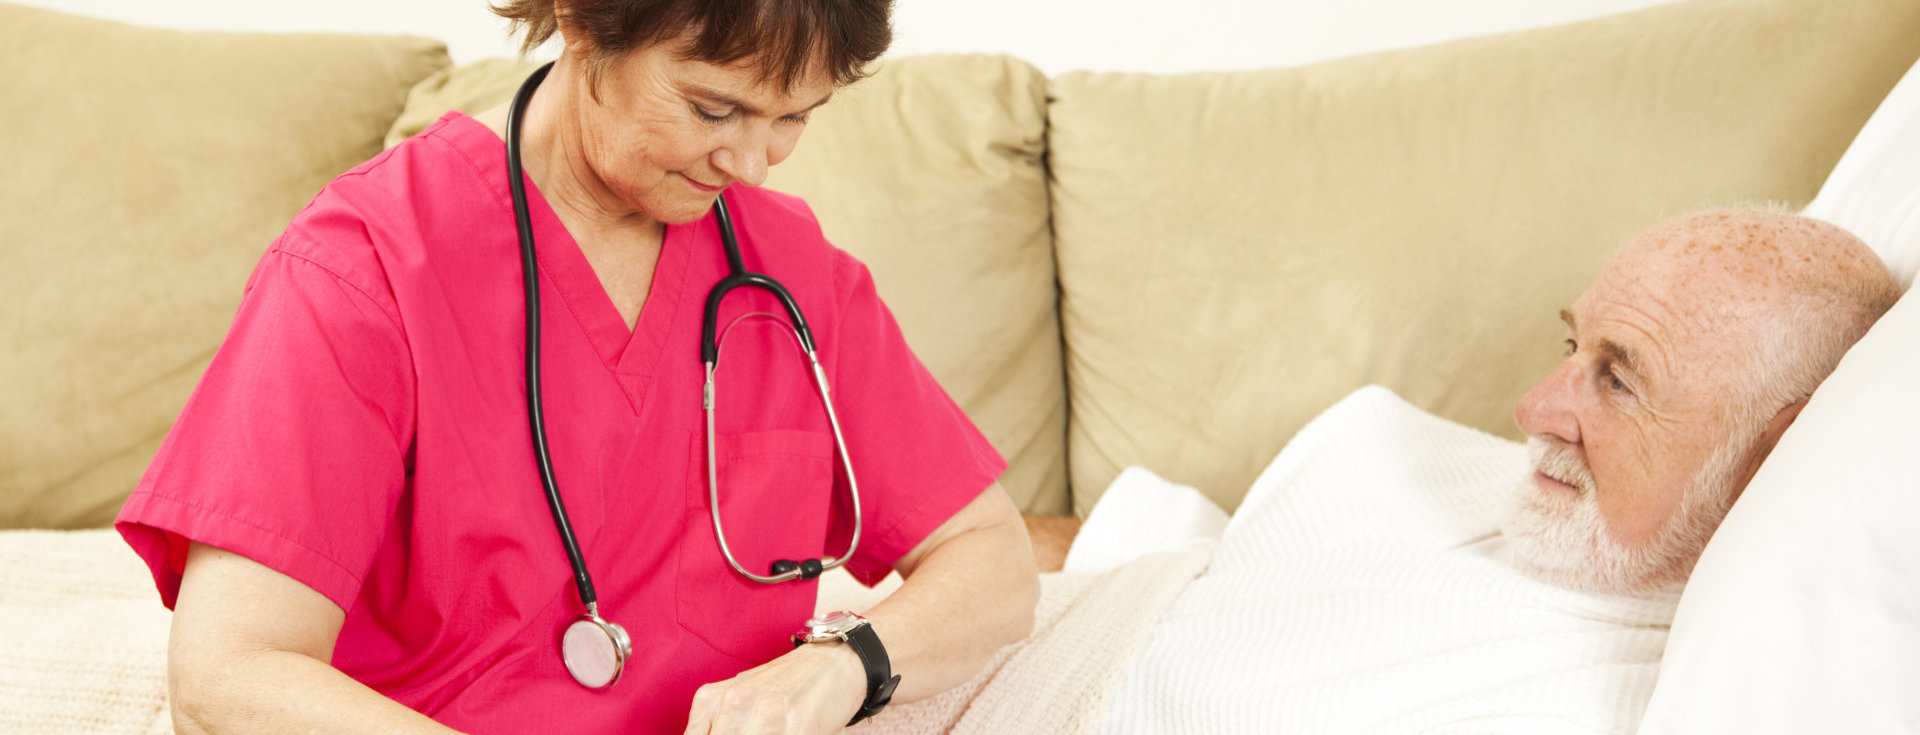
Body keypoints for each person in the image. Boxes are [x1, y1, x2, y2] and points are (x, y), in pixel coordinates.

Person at [113, 2, 1039, 734]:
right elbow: (227, 673)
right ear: (582, 19)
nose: (752, 162)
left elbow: (992, 559)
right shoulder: (366, 268)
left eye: (794, 117)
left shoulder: (786, 274)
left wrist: (842, 665)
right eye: (715, 108)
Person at [1029, 208, 1902, 732]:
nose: (1533, 409)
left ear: (1772, 454)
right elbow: (1189, 562)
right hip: (1035, 625)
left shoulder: (1618, 700)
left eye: (1620, 379)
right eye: (1572, 345)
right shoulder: (1448, 474)